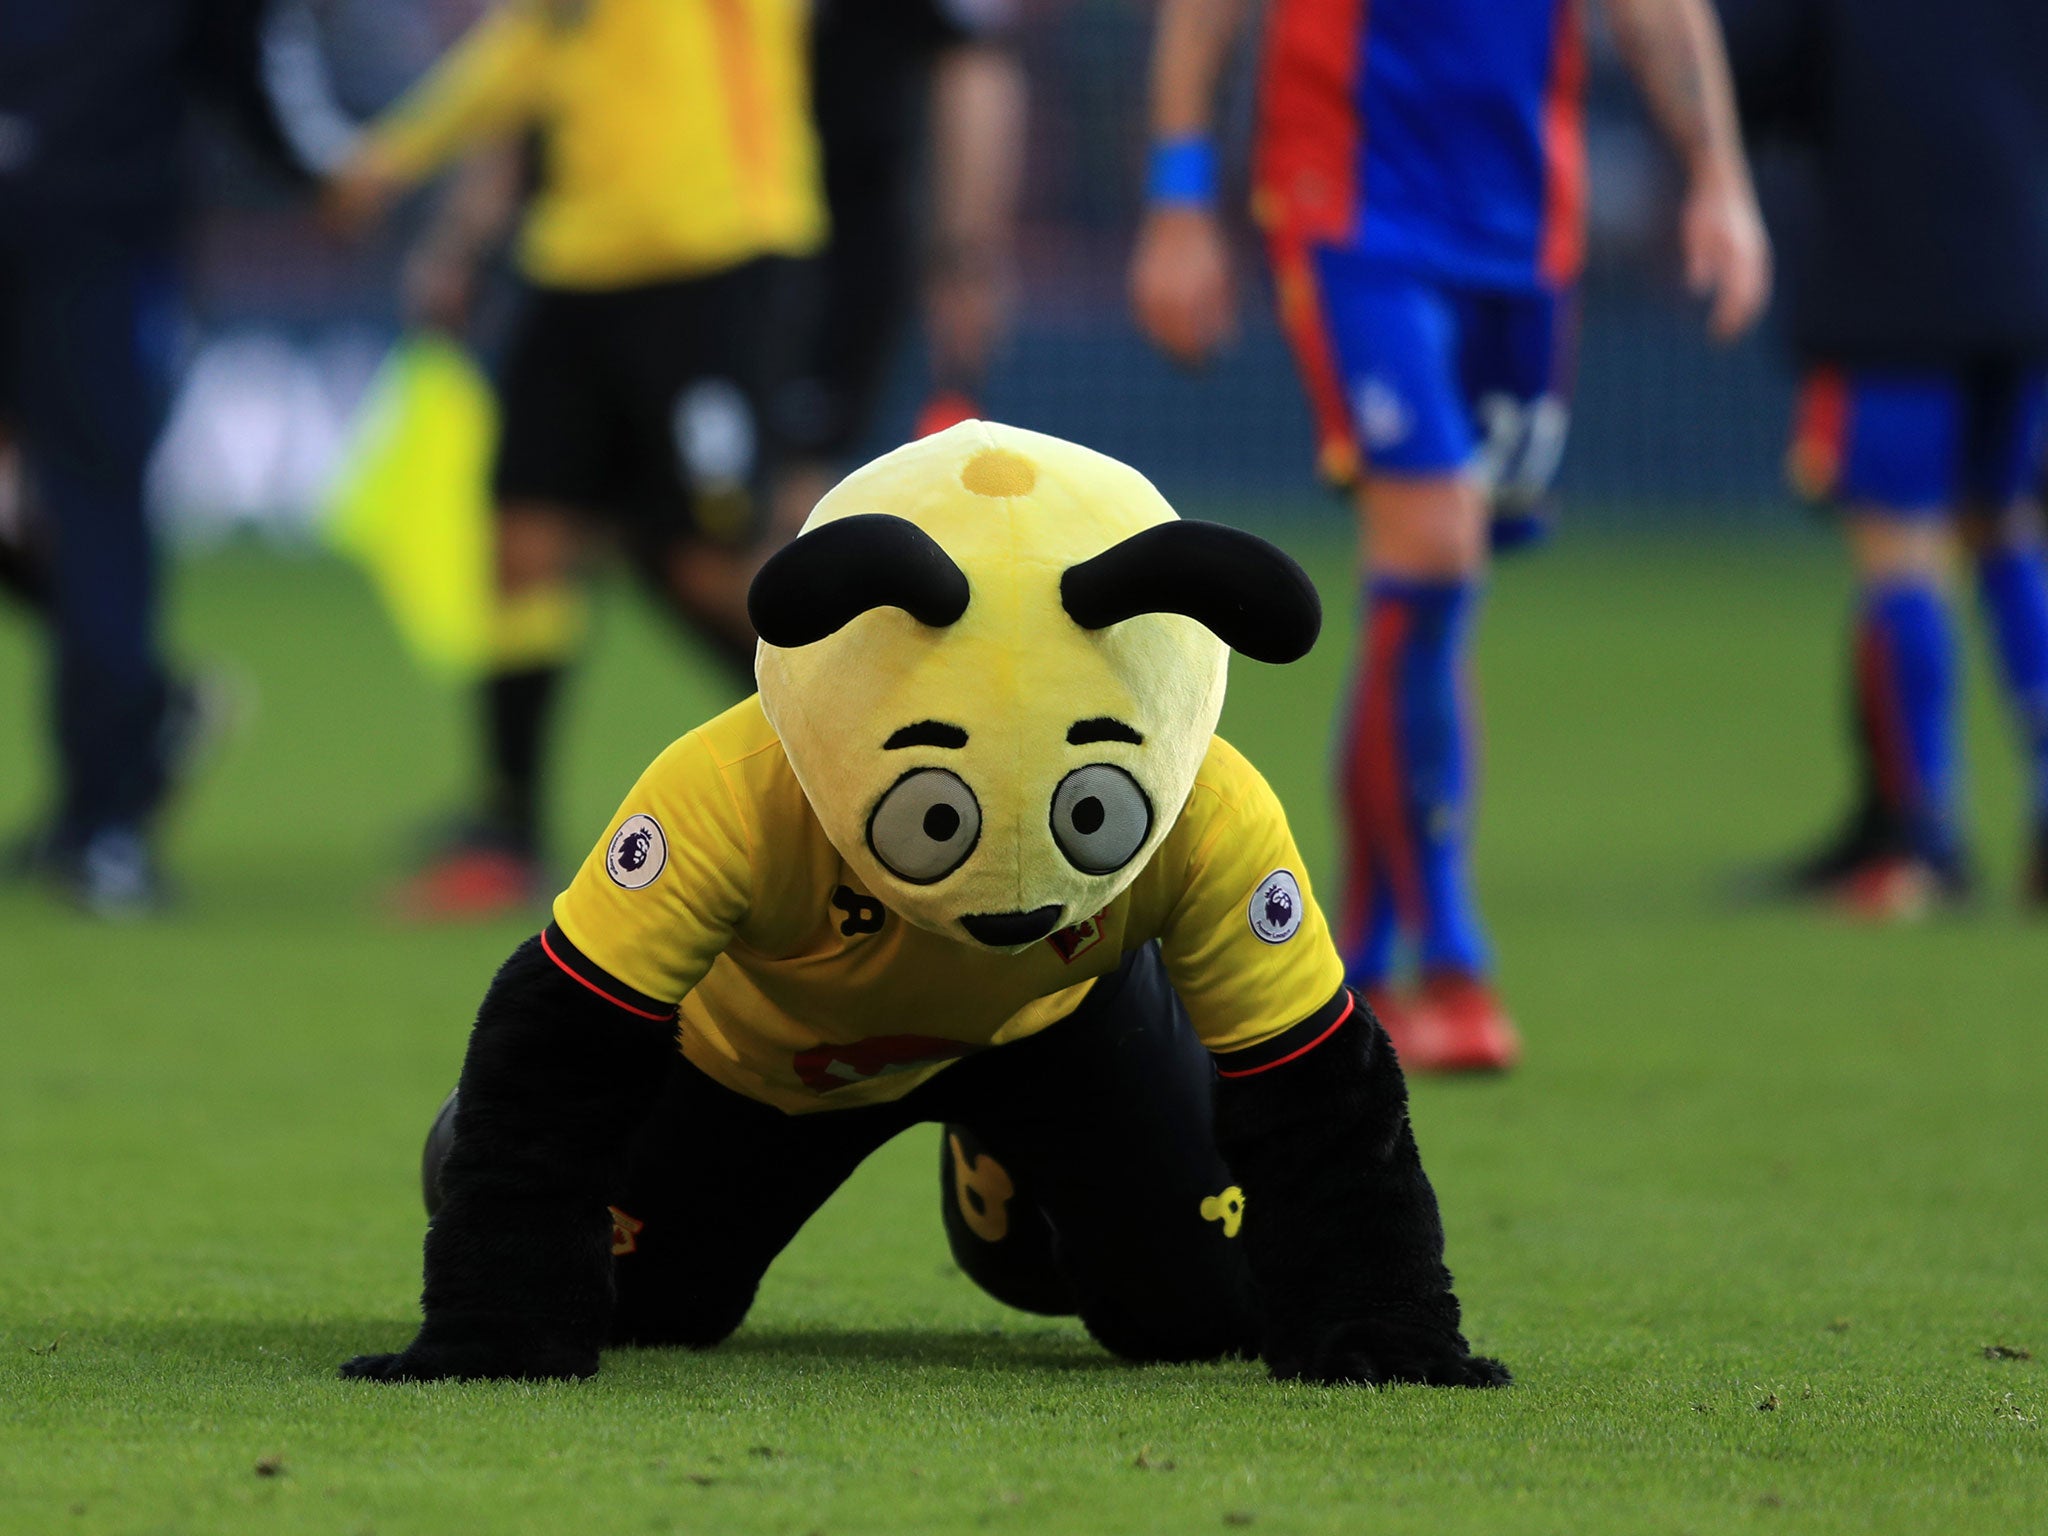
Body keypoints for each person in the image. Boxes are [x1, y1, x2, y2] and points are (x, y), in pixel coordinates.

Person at [1130, 0, 1770, 1070]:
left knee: (1431, 593)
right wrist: (1178, 201)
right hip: (1349, 211)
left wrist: (1719, 181)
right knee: (1434, 551)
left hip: (1522, 232)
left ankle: (1361, 968)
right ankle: (1455, 963)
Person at [1721, 0, 2048, 918]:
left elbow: (1744, 81)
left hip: (1892, 286)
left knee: (1901, 552)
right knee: (2008, 533)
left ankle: (1922, 836)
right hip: (2019, 279)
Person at [0, 0, 314, 914]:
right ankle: (119, 778)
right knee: (96, 514)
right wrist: (315, 166)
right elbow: (248, 53)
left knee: (92, 512)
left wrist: (312, 162)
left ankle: (107, 815)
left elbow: (246, 51)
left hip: (91, 234)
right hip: (96, 225)